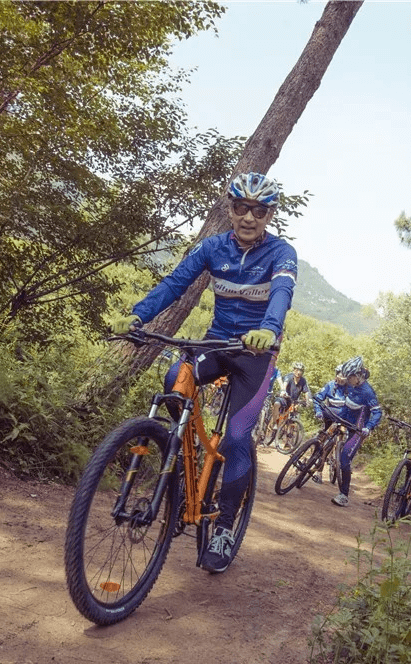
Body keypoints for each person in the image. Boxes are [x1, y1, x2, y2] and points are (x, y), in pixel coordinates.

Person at [111, 172, 297, 574]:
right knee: (173, 382)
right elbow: (177, 282)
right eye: (241, 208)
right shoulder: (213, 247)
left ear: (268, 215)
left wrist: (268, 328)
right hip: (216, 343)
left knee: (235, 437)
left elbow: (281, 292)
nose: (249, 217)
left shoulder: (281, 253)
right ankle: (184, 468)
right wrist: (140, 314)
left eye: (259, 210)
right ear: (230, 209)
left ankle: (225, 528)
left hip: (254, 355)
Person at [321, 356, 382, 507]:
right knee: (323, 432)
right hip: (345, 419)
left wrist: (369, 427)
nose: (347, 379)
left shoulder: (367, 392)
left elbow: (378, 412)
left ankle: (344, 495)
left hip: (358, 430)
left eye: (350, 377)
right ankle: (314, 459)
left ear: (358, 375)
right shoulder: (351, 385)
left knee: (344, 459)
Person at [269, 362, 311, 430]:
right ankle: (274, 424)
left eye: (300, 370)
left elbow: (306, 392)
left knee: (294, 414)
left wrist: (308, 401)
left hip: (294, 401)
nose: (298, 372)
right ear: (294, 370)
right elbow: (285, 384)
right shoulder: (288, 377)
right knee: (277, 404)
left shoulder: (303, 381)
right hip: (284, 398)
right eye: (297, 370)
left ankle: (289, 434)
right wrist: (283, 392)